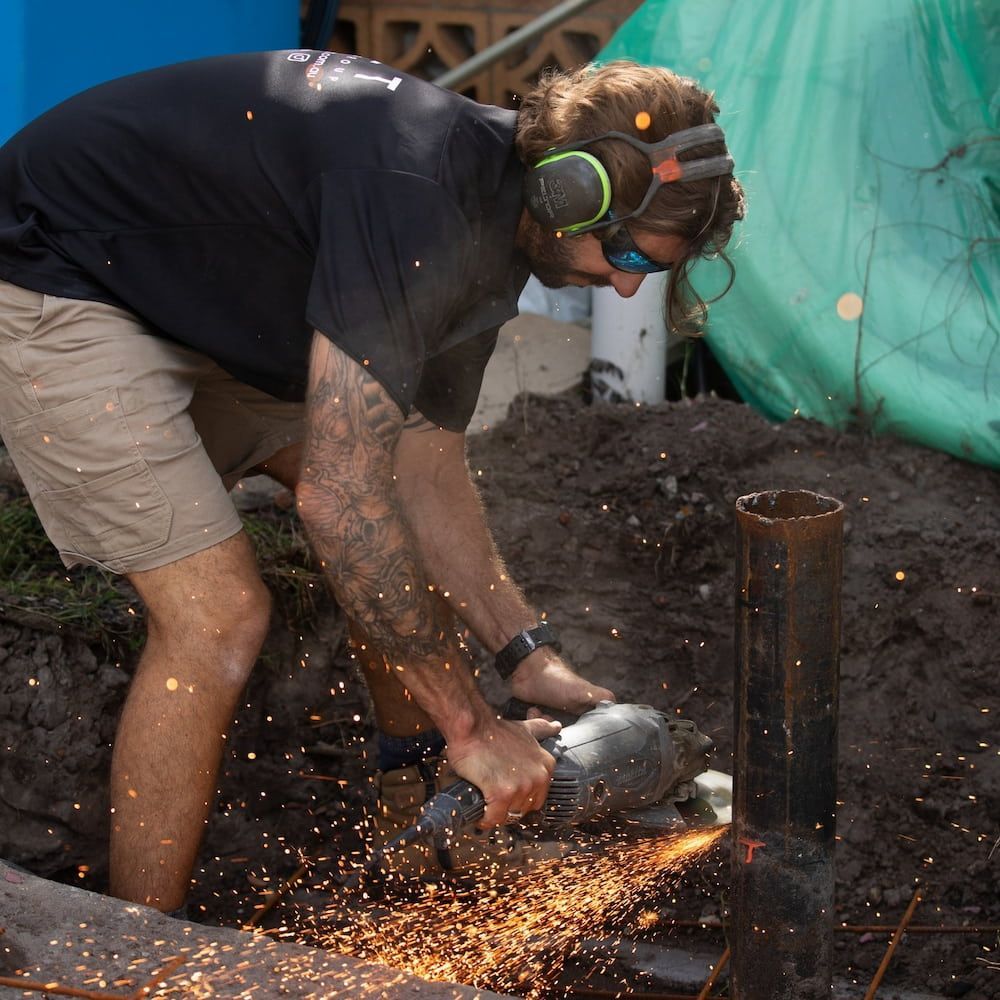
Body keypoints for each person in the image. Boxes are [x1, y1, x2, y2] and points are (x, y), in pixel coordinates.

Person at [0, 50, 744, 912]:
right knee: (220, 618)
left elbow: (423, 470)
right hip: (52, 269)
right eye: (622, 250)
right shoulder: (418, 193)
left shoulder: (497, 232)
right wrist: (473, 720)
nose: (622, 283)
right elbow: (336, 498)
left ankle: (415, 803)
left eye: (645, 270)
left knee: (381, 498)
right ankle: (134, 949)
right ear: (564, 192)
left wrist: (524, 653)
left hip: (180, 291)